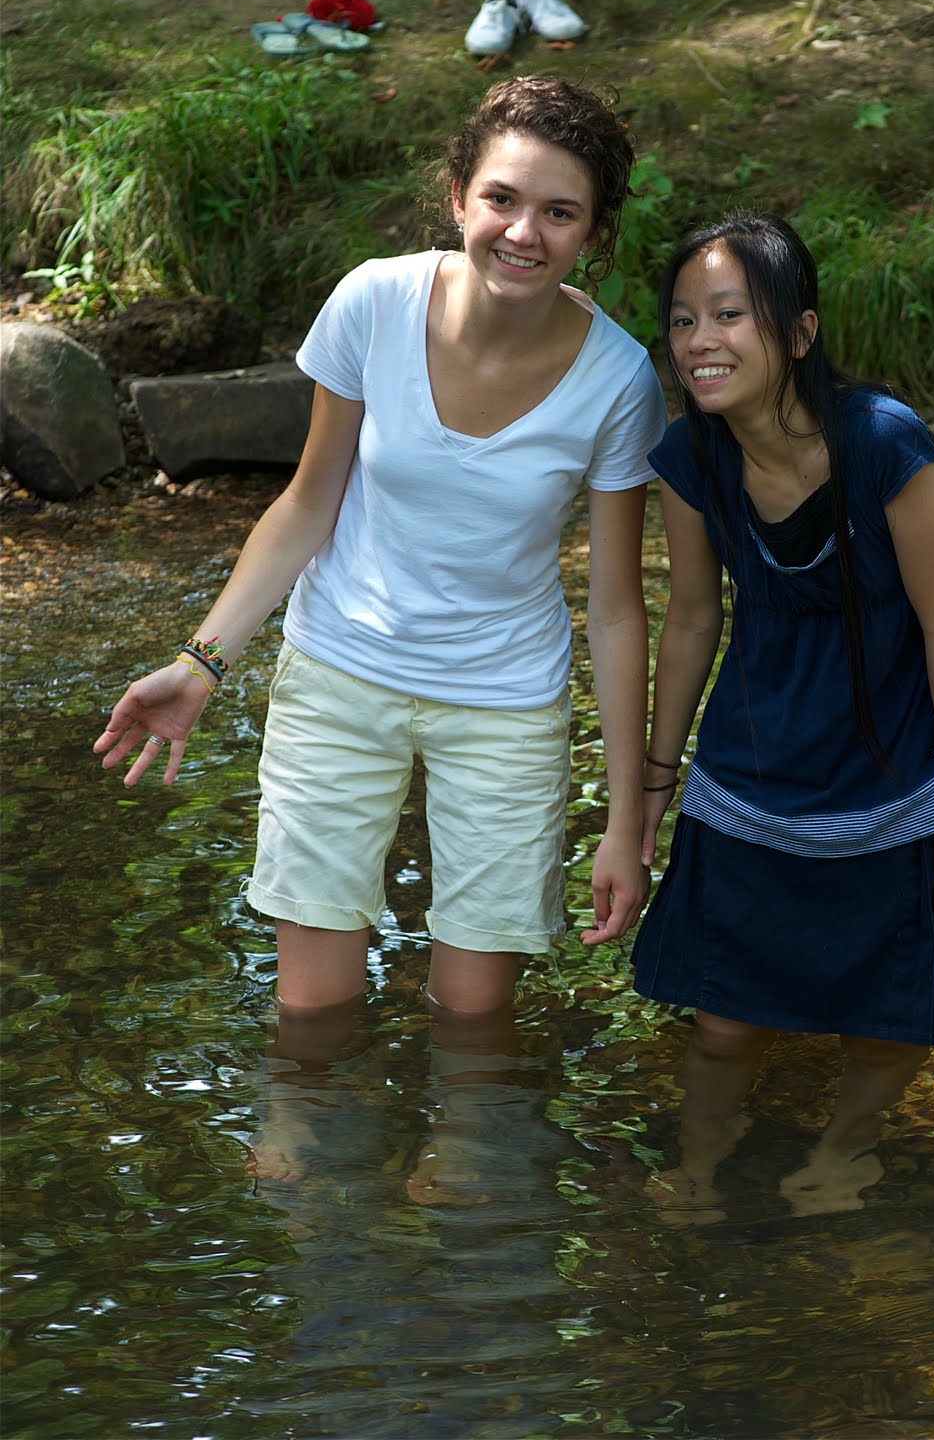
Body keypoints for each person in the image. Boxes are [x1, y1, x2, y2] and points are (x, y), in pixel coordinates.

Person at [93, 75, 667, 1027]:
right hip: (341, 674)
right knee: (311, 1021)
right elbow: (308, 502)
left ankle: (466, 1181)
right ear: (459, 199)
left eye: (560, 213)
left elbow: (614, 608)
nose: (524, 232)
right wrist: (202, 662)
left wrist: (623, 823)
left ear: (593, 235)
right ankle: (315, 1176)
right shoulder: (374, 301)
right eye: (503, 199)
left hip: (506, 704)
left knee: (473, 1027)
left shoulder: (619, 379)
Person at [633, 212, 934, 1217]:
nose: (699, 341)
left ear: (798, 332)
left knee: (885, 1013)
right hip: (745, 774)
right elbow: (687, 616)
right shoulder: (689, 455)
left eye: (729, 315)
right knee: (722, 1019)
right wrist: (650, 783)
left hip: (886, 772)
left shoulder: (887, 447)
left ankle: (845, 1148)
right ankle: (699, 1162)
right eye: (682, 321)